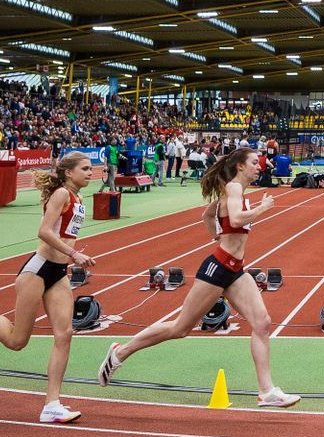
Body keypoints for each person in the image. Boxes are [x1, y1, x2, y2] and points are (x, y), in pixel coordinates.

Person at [98, 147, 299, 407]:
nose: (259, 165)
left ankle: (267, 391)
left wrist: (217, 234)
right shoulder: (235, 188)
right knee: (180, 328)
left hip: (235, 269)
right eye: (253, 162)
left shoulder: (235, 190)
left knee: (262, 322)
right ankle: (120, 352)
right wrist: (264, 208)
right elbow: (237, 219)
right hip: (218, 268)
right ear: (239, 166)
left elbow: (207, 214)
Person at [0, 154, 98, 423]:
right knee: (17, 341)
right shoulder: (61, 194)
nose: (90, 172)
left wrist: (68, 259)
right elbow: (44, 232)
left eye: (91, 168)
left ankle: (52, 404)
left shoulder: (79, 198)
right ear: (69, 173)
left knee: (65, 334)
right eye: (84, 169)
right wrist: (75, 255)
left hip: (58, 273)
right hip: (37, 271)